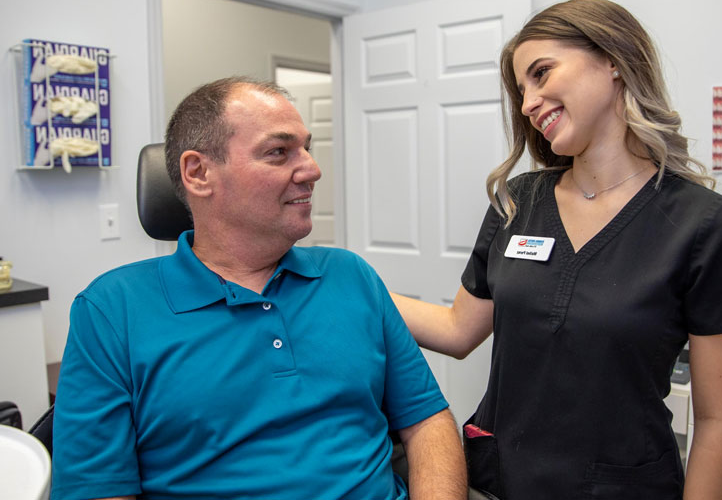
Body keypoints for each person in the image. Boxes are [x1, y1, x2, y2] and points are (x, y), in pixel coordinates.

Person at [391, 0, 722, 500]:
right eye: (521, 89)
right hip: (497, 481)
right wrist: (351, 284)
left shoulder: (704, 225)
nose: (527, 103)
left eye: (541, 74)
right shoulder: (518, 202)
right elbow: (458, 330)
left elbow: (718, 422)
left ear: (612, 59)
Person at [52, 77, 467, 500]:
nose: (312, 169)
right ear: (199, 173)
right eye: (278, 152)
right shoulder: (111, 310)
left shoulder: (351, 276)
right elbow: (97, 489)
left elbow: (427, 421)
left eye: (306, 148)